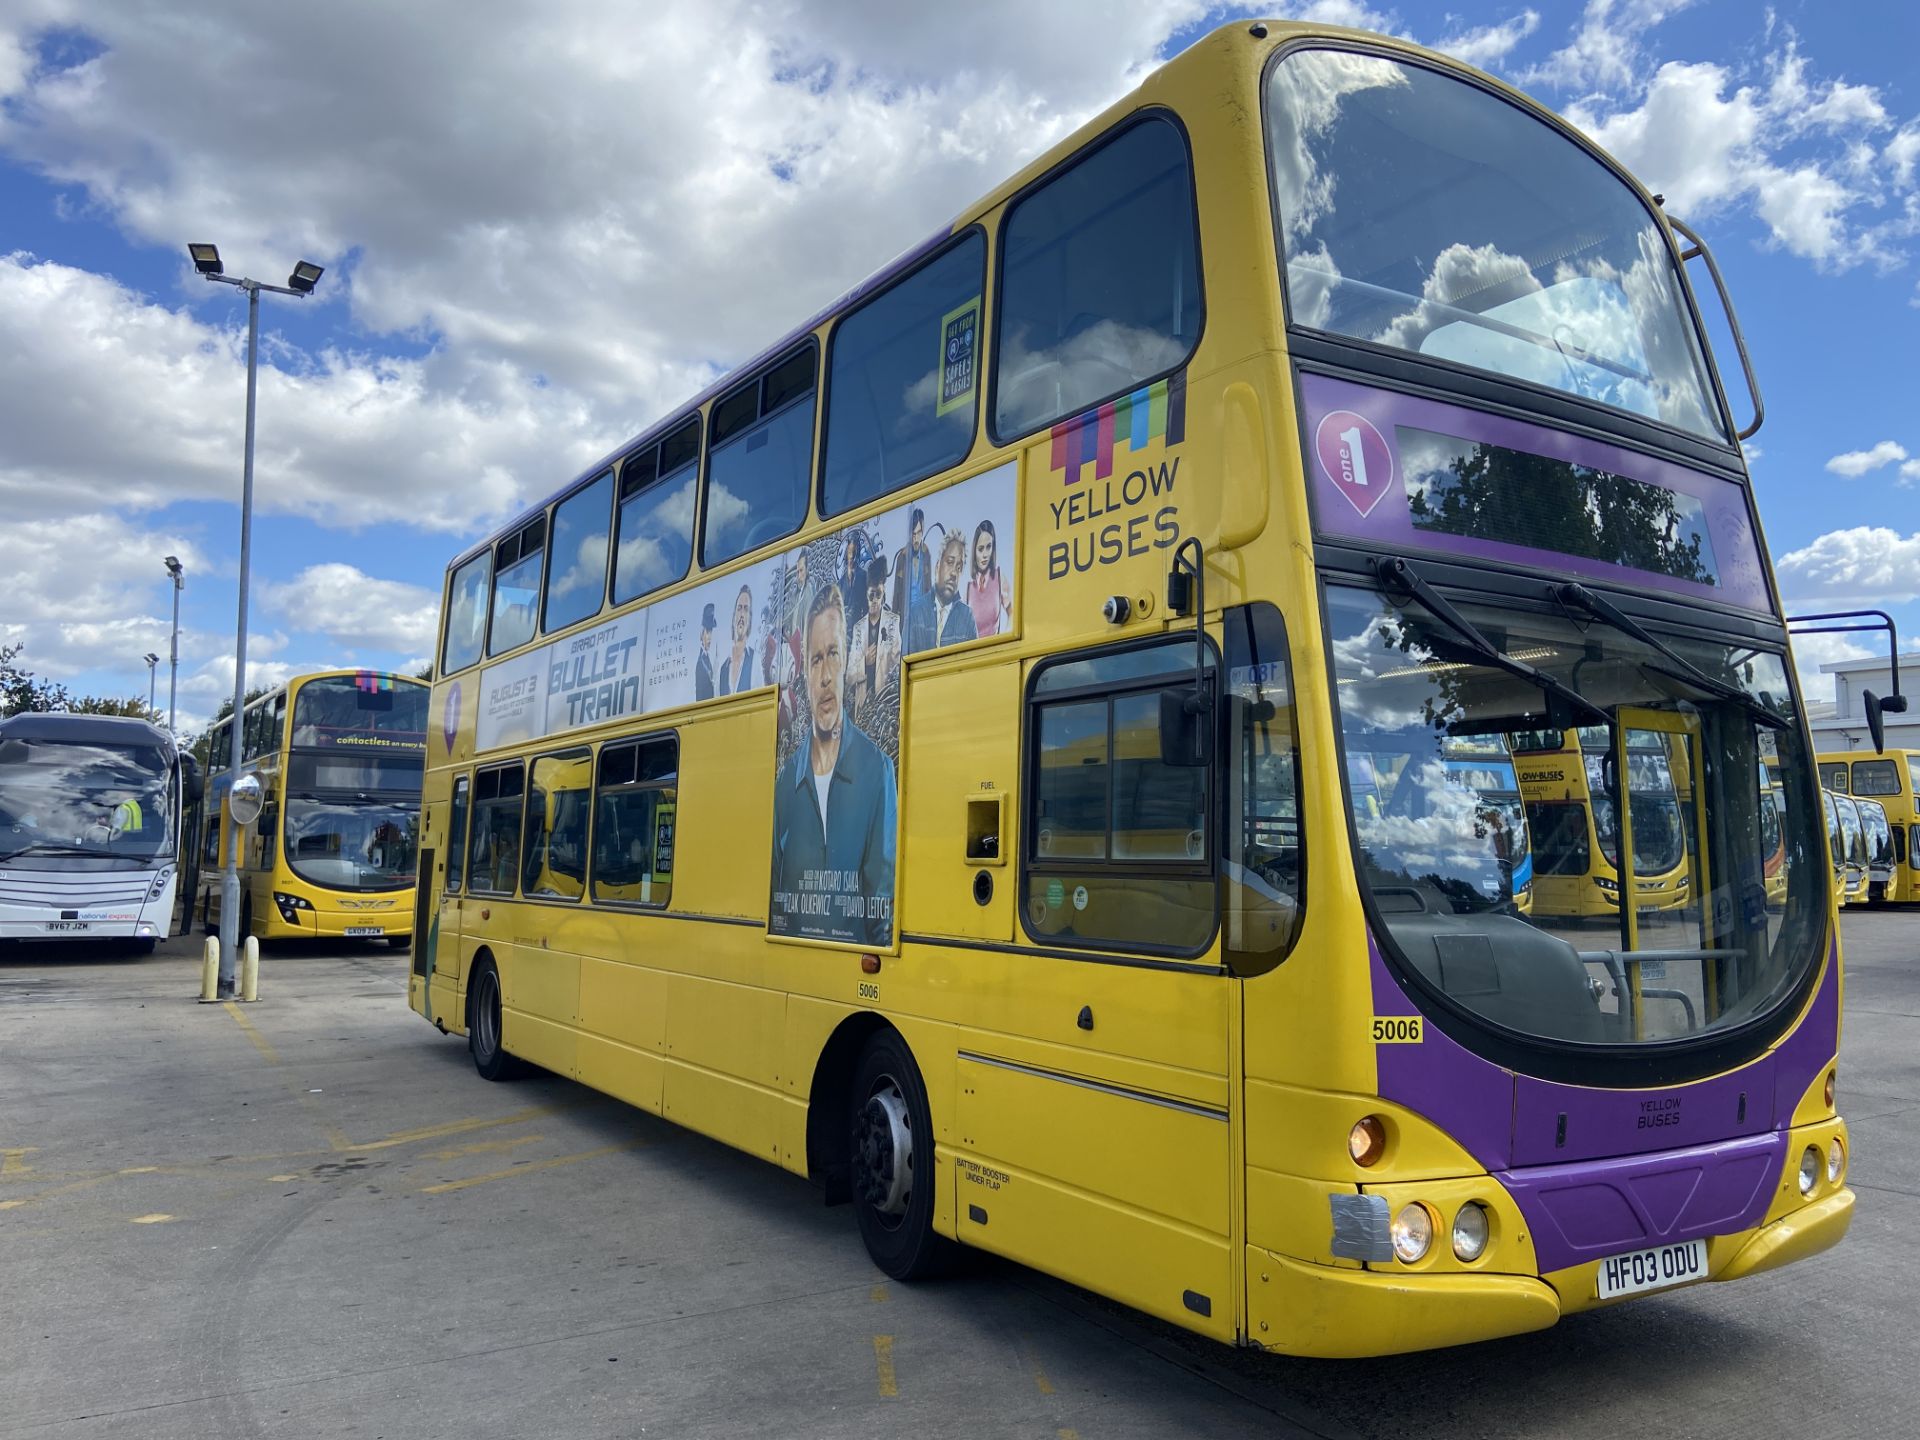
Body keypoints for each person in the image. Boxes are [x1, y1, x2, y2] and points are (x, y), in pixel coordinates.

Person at [771, 583, 896, 945]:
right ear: (805, 675)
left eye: (833, 654)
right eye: (815, 659)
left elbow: (881, 909)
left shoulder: (878, 771)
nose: (825, 675)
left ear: (846, 663)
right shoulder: (784, 785)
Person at [847, 554, 901, 718]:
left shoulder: (893, 623)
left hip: (885, 710)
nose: (875, 600)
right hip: (863, 711)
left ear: (883, 594)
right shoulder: (858, 629)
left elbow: (898, 665)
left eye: (879, 595)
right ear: (866, 595)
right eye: (872, 595)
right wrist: (865, 662)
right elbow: (849, 676)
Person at [907, 531, 979, 654]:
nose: (954, 573)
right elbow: (905, 665)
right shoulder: (916, 612)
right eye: (950, 562)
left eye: (959, 568)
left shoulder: (967, 617)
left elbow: (975, 667)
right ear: (937, 566)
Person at [964, 519, 1011, 637]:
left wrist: (1004, 642)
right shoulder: (968, 589)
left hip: (996, 652)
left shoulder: (999, 578)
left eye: (988, 547)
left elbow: (1012, 613)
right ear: (974, 552)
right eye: (980, 549)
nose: (985, 554)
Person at [891, 508, 931, 622]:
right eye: (913, 534)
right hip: (906, 619)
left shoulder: (926, 554)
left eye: (919, 533)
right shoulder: (902, 557)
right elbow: (897, 593)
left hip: (922, 619)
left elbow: (928, 587)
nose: (916, 538)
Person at [719, 583, 756, 695]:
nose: (741, 615)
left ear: (750, 618)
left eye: (746, 610)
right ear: (734, 615)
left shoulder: (755, 661)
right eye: (739, 608)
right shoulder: (723, 668)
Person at [694, 602, 717, 701]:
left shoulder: (709, 658)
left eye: (711, 632)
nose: (709, 638)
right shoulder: (700, 662)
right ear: (701, 633)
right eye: (707, 632)